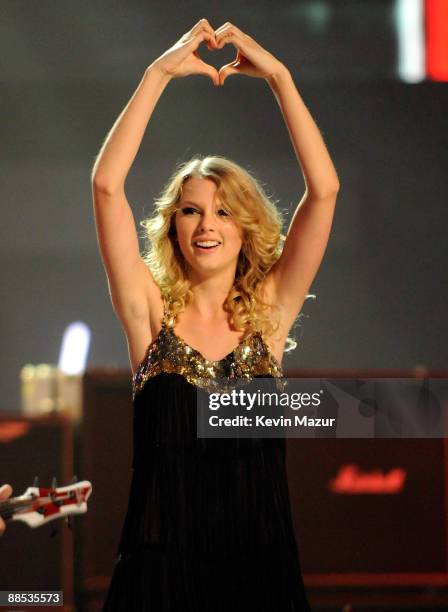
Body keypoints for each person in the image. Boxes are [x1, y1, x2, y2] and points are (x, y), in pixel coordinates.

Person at [91, 19, 339, 612]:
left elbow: (324, 191)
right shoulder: (148, 316)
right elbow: (105, 185)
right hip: (159, 578)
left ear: (245, 226)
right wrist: (157, 74)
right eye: (191, 211)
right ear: (173, 227)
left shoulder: (269, 318)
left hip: (260, 577)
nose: (207, 226)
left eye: (224, 212)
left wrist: (279, 77)